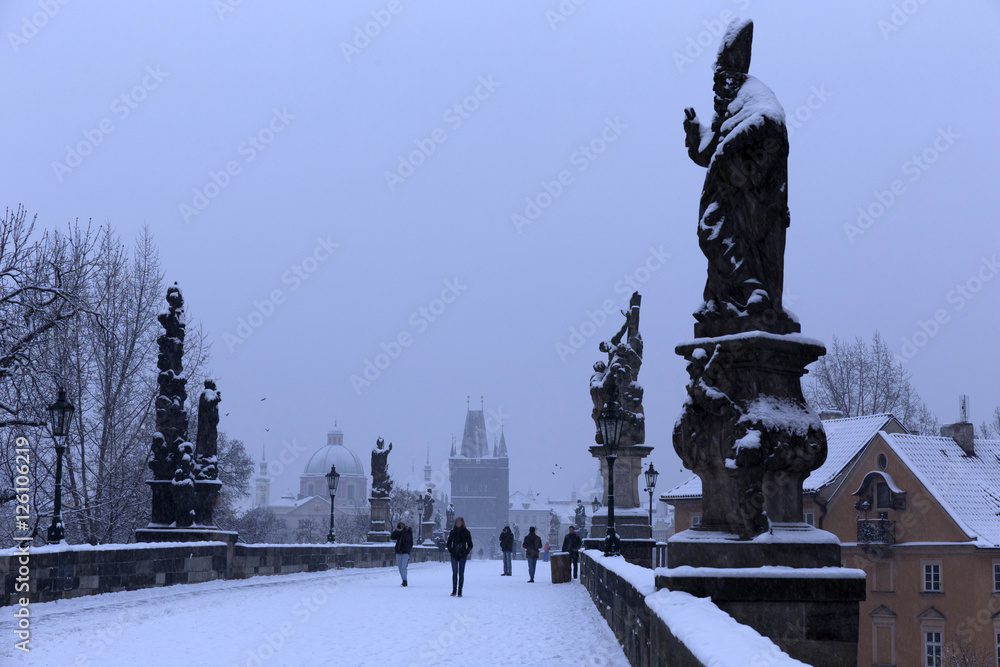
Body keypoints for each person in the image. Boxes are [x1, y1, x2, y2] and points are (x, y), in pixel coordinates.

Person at [446, 516, 473, 597]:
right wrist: (451, 550)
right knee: (454, 573)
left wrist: (466, 552)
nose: (458, 523)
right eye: (457, 522)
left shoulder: (466, 532)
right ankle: (454, 590)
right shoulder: (452, 532)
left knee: (461, 573)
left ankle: (460, 591)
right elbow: (448, 543)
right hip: (454, 554)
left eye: (459, 522)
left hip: (462, 555)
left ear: (462, 523)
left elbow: (470, 544)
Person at [390, 521, 413, 587]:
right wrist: (397, 530)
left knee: (404, 567)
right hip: (398, 551)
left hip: (405, 552)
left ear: (404, 526)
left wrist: (409, 551)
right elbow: (392, 537)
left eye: (402, 525)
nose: (401, 527)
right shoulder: (398, 532)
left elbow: (408, 540)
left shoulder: (408, 531)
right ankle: (403, 579)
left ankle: (405, 580)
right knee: (400, 567)